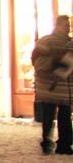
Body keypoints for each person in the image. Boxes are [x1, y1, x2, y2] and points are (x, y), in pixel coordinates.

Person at [32, 14, 73, 155]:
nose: (68, 28)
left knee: (65, 116)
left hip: (65, 89)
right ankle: (47, 142)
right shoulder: (47, 41)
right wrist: (59, 64)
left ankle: (64, 144)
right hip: (50, 87)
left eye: (69, 25)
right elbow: (38, 62)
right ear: (59, 25)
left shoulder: (70, 43)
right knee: (49, 116)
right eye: (66, 25)